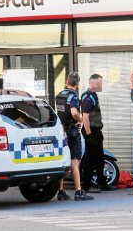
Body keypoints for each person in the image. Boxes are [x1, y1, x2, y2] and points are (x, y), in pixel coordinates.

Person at [55, 71, 93, 201]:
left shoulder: (59, 95)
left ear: (67, 81)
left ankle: (61, 191)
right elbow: (73, 112)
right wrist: (80, 120)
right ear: (77, 84)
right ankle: (78, 192)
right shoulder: (73, 97)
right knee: (75, 161)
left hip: (62, 131)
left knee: (63, 160)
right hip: (72, 131)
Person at [81, 73, 115, 192]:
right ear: (93, 83)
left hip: (96, 131)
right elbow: (85, 116)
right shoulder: (88, 96)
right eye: (100, 82)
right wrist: (89, 134)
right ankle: (86, 186)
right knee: (90, 160)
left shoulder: (93, 95)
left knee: (99, 159)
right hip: (92, 132)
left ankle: (102, 183)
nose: (102, 85)